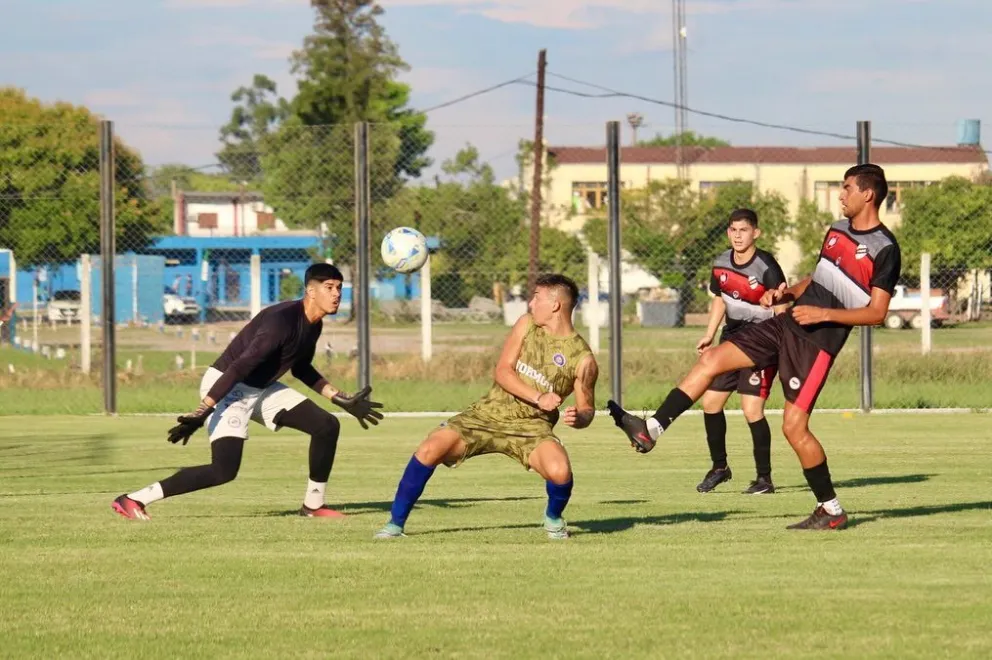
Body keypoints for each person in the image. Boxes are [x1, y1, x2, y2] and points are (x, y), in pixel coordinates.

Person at [608, 164, 901, 530]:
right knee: (713, 357)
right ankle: (652, 429)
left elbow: (876, 312)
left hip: (816, 346)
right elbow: (820, 276)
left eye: (846, 188)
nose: (841, 195)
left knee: (794, 429)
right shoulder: (837, 230)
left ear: (867, 194)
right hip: (786, 324)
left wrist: (821, 313)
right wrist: (788, 292)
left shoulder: (885, 248)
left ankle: (831, 510)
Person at [111, 263, 383, 520]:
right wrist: (203, 409)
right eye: (329, 287)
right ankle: (133, 499)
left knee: (326, 425)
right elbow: (240, 366)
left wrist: (341, 399)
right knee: (223, 470)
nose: (336, 294)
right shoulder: (281, 322)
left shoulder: (314, 325)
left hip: (259, 387)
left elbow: (302, 369)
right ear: (311, 291)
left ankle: (313, 505)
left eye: (339, 287)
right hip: (228, 386)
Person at [375, 274, 599, 540]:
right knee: (430, 448)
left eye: (536, 297)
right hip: (487, 414)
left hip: (530, 427)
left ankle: (553, 519)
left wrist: (579, 417)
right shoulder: (526, 325)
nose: (530, 304)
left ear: (555, 305)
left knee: (560, 471)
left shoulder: (583, 359)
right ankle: (395, 524)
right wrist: (539, 397)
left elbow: (587, 410)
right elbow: (503, 371)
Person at [695, 209, 787, 495]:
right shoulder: (722, 262)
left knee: (751, 410)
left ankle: (764, 479)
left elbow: (782, 308)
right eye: (733, 230)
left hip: (761, 341)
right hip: (732, 338)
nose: (737, 235)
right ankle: (719, 468)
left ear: (755, 233)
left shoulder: (767, 265)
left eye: (743, 230)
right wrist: (709, 334)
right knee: (710, 402)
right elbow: (721, 301)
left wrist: (782, 345)